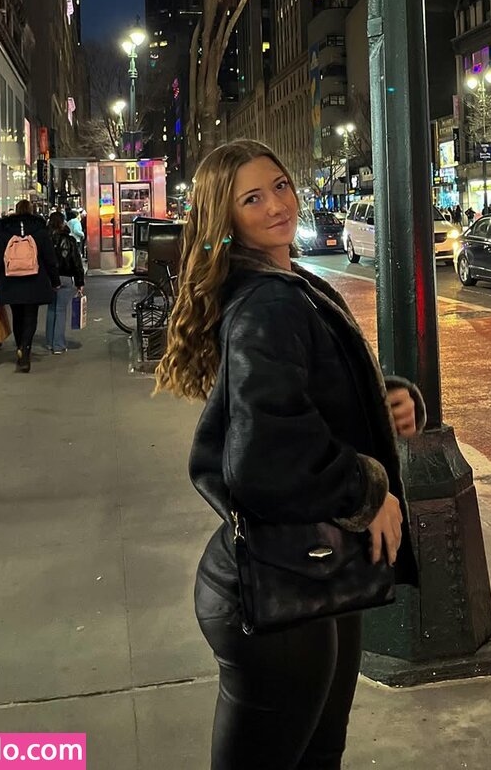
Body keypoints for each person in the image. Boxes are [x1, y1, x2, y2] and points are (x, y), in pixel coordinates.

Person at [156, 139, 424, 770]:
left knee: (318, 755)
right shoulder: (269, 300)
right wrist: (367, 493)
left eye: (279, 185)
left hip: (311, 573)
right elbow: (265, 452)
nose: (277, 205)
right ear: (226, 218)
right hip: (279, 586)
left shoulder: (285, 283)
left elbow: (295, 398)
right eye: (252, 199)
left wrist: (383, 398)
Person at [0, 200, 60, 373]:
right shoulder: (40, 231)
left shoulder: (5, 232)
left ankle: (19, 346)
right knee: (30, 316)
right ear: (31, 210)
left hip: (11, 280)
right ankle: (25, 349)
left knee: (17, 315)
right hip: (34, 280)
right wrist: (55, 280)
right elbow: (50, 258)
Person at [46, 212, 85, 355]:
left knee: (51, 309)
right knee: (61, 310)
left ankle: (49, 342)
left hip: (50, 278)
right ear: (63, 223)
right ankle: (58, 345)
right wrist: (79, 281)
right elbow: (76, 262)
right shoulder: (69, 240)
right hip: (65, 277)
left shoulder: (45, 239)